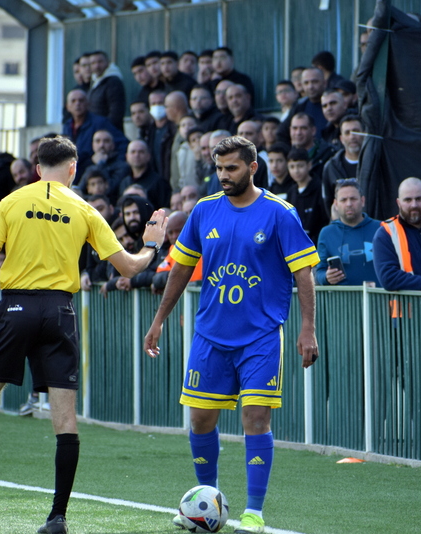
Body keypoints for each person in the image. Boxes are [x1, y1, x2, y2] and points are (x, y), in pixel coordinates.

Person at [0, 136, 167, 534]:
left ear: (38, 168)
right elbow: (128, 267)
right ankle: (57, 517)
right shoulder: (84, 208)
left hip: (16, 308)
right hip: (60, 312)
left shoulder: (11, 201)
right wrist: (152, 246)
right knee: (65, 419)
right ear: (73, 168)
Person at [144, 136, 319, 534]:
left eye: (232, 168)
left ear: (253, 167)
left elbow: (303, 272)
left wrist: (307, 328)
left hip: (260, 337)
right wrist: (159, 320)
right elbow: (181, 268)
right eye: (219, 168)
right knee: (200, 419)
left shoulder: (280, 213)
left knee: (255, 417)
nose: (224, 175)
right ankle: (208, 502)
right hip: (210, 336)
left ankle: (254, 513)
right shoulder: (204, 211)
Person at [372, 177, 421, 291]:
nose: (414, 205)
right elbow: (389, 278)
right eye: (408, 200)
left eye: (419, 199)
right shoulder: (386, 233)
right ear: (398, 203)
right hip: (410, 304)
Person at [315, 179, 380, 286]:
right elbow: (319, 272)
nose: (349, 204)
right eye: (343, 200)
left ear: (362, 201)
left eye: (353, 199)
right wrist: (327, 277)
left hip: (377, 295)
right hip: (343, 296)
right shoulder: (327, 233)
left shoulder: (380, 228)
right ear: (336, 204)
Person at [62, 89, 128, 185]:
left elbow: (123, 144)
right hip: (75, 173)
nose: (77, 104)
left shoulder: (100, 123)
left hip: (95, 176)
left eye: (81, 100)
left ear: (88, 104)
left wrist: (109, 160)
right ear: (67, 106)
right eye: (73, 101)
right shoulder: (67, 126)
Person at [285, 147, 328, 246]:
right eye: (292, 167)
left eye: (300, 166)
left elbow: (325, 219)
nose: (296, 171)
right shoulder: (291, 192)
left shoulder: (320, 188)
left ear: (309, 165)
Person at [322, 115, 363, 215]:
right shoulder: (331, 167)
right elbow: (327, 201)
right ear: (341, 138)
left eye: (356, 131)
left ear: (364, 134)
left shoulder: (375, 163)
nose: (352, 137)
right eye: (347, 132)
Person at [276, 68, 328, 144]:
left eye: (315, 82)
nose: (310, 86)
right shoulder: (299, 106)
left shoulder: (334, 104)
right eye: (306, 83)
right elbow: (281, 134)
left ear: (324, 83)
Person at [117, 140, 172, 210]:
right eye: (133, 152)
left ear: (148, 156)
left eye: (141, 152)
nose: (136, 155)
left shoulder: (159, 182)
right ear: (127, 156)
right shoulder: (124, 183)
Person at [79, 129, 131, 195]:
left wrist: (101, 163)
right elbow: (80, 190)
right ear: (93, 145)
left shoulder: (122, 166)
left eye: (106, 141)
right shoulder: (89, 166)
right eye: (97, 141)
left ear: (113, 145)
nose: (101, 145)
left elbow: (109, 189)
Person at [288, 113, 336, 182]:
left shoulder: (329, 154)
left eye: (303, 128)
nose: (298, 133)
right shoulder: (286, 155)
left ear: (313, 130)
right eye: (294, 128)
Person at [86, 50, 126, 130]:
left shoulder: (113, 82)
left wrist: (106, 129)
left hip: (108, 131)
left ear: (108, 62)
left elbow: (116, 112)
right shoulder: (95, 82)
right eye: (93, 63)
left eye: (100, 62)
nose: (97, 66)